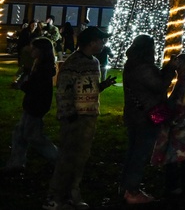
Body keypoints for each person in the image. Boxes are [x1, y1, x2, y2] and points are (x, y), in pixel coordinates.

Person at [45, 26, 117, 210]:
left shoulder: (93, 62)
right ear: (92, 42)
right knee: (67, 157)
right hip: (74, 118)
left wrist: (101, 86)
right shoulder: (73, 63)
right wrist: (68, 113)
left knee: (81, 157)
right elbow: (63, 90)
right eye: (101, 40)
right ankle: (55, 197)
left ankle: (72, 193)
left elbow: (86, 88)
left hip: (89, 116)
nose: (103, 43)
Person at [120, 34, 176, 204]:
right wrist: (170, 69)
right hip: (146, 116)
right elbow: (159, 85)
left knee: (132, 151)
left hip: (133, 114)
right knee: (140, 154)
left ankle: (125, 187)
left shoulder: (131, 64)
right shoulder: (143, 68)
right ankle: (132, 190)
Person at [151, 54, 185, 196]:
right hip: (183, 129)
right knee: (180, 157)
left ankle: (181, 184)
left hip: (182, 128)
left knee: (181, 157)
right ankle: (179, 185)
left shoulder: (184, 83)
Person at [4, 37, 58, 172]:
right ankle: (16, 163)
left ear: (41, 51)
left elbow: (36, 88)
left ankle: (59, 159)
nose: (31, 50)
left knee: (33, 136)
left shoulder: (43, 69)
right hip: (32, 105)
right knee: (19, 133)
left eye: (34, 48)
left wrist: (21, 85)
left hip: (36, 106)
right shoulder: (39, 65)